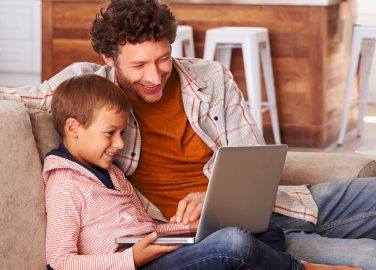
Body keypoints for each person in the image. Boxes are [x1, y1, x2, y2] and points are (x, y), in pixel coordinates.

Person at [0, 0, 374, 268]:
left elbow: (251, 156)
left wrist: (209, 191)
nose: (154, 75)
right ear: (108, 59)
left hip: (278, 206)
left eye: (162, 58)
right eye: (138, 65)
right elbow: (14, 96)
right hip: (212, 239)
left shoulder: (211, 77)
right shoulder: (87, 91)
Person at [44, 73, 329, 270]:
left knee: (266, 230)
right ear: (73, 128)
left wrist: (195, 229)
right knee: (234, 242)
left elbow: (149, 229)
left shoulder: (111, 173)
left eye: (121, 133)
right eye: (110, 133)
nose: (119, 144)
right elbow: (59, 261)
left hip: (154, 252)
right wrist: (130, 259)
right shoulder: (65, 184)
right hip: (135, 265)